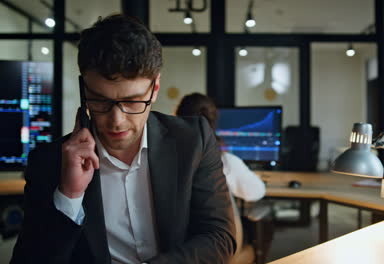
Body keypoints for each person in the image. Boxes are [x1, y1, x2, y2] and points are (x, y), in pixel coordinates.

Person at [10, 15, 236, 264]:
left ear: (155, 88)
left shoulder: (193, 140)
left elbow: (219, 238)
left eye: (132, 101)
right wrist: (69, 195)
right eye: (100, 100)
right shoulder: (48, 161)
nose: (116, 120)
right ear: (84, 89)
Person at [175, 93, 266, 202]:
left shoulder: (165, 156)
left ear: (177, 117)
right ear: (213, 120)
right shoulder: (225, 162)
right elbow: (257, 192)